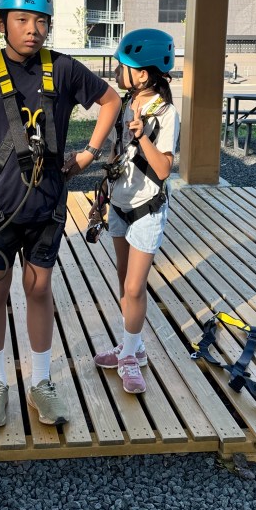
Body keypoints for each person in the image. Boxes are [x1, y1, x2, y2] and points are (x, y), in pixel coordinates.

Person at [0, 0, 121, 429]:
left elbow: (111, 100)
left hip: (45, 206)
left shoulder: (62, 69)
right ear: (1, 22)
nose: (33, 29)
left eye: (41, 20)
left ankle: (41, 382)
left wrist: (88, 154)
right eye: (22, 19)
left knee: (39, 288)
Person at [93, 29, 180, 394]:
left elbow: (163, 169)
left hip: (147, 209)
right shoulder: (125, 103)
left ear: (142, 74)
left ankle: (129, 357)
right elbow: (116, 155)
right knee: (123, 282)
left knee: (134, 286)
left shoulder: (167, 113)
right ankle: (134, 346)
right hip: (118, 204)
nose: (116, 71)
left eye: (123, 66)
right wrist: (102, 196)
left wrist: (143, 135)